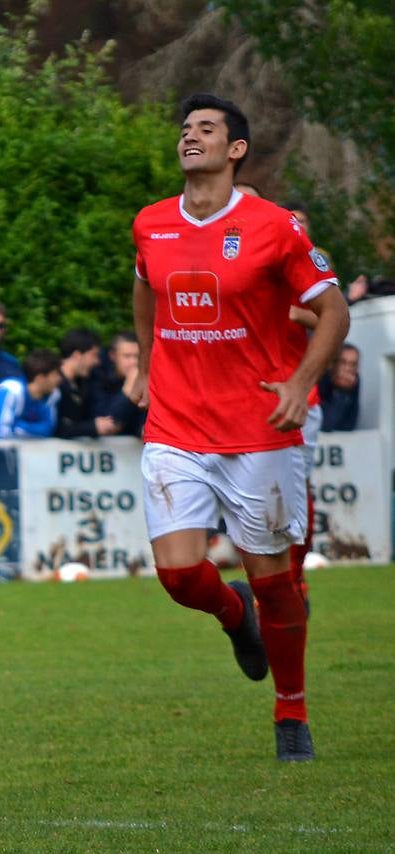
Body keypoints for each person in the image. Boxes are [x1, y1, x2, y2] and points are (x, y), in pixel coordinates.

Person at [127, 93, 349, 762]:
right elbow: (144, 288)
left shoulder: (275, 226)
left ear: (236, 149)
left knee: (276, 580)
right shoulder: (151, 224)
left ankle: (291, 713)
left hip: (258, 428)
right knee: (177, 576)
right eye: (185, 129)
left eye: (206, 129)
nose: (189, 137)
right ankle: (234, 617)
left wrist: (301, 383)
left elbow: (332, 309)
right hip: (175, 423)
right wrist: (144, 361)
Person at [0, 349, 62, 439]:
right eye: (56, 375)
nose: (59, 379)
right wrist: (33, 430)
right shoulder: (9, 390)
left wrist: (17, 426)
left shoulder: (53, 394)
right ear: (40, 378)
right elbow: (1, 433)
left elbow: (48, 429)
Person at [53, 328, 117, 438]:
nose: (97, 362)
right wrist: (92, 427)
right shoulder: (54, 384)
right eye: (93, 355)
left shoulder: (83, 383)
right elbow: (55, 427)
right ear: (77, 355)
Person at [94, 331, 146, 437]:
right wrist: (128, 388)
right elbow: (106, 421)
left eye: (137, 356)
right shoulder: (98, 377)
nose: (133, 362)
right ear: (113, 355)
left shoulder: (147, 378)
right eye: (127, 356)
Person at [318, 343, 360, 431]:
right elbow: (325, 425)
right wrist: (340, 392)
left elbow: (350, 425)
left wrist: (343, 391)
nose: (348, 368)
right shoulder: (320, 377)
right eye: (343, 362)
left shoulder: (354, 380)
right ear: (333, 363)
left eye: (353, 364)